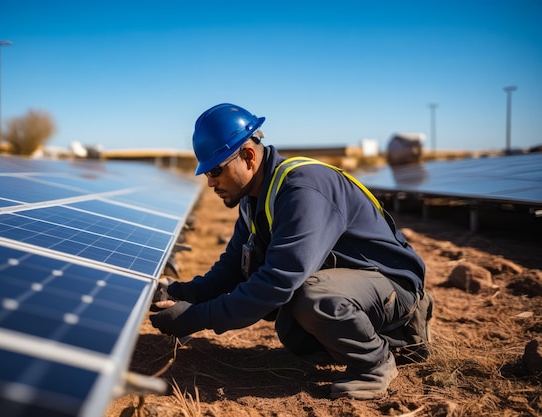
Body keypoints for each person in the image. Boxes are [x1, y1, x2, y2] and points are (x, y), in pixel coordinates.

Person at [150, 103, 432, 400]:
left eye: (217, 169)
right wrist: (183, 294)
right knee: (291, 329)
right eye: (206, 173)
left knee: (313, 299)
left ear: (247, 155)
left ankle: (375, 364)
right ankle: (389, 339)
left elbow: (277, 282)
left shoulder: (302, 188)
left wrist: (196, 317)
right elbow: (232, 267)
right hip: (357, 287)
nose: (210, 182)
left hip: (392, 285)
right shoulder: (254, 199)